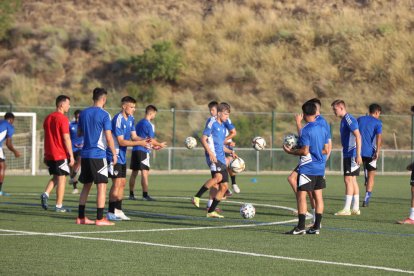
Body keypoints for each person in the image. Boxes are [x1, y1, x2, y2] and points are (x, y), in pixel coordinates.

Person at [283, 101, 329, 235]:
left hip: (308, 168)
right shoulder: (323, 128)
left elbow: (304, 151)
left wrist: (290, 152)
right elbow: (326, 149)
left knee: (301, 196)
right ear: (316, 112)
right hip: (320, 167)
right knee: (318, 197)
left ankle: (300, 227)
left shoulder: (306, 130)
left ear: (303, 114)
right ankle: (316, 227)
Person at [106, 96, 153, 221]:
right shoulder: (118, 119)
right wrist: (140, 143)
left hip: (122, 156)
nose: (133, 109)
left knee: (122, 183)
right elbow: (121, 142)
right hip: (113, 155)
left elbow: (134, 136)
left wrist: (146, 141)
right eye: (131, 107)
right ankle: (110, 212)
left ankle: (119, 210)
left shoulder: (131, 118)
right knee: (116, 184)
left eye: (134, 107)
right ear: (123, 106)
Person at [76, 87, 117, 226]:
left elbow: (79, 133)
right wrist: (114, 153)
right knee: (102, 186)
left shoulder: (83, 113)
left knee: (86, 186)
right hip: (98, 155)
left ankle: (81, 217)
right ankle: (100, 219)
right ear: (104, 99)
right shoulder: (105, 114)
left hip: (85, 154)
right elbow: (108, 136)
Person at [192, 102, 238, 218]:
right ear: (219, 113)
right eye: (226, 115)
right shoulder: (212, 122)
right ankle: (196, 196)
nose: (227, 117)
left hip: (221, 158)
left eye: (228, 115)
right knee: (217, 178)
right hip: (213, 157)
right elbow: (203, 139)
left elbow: (221, 146)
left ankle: (211, 211)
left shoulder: (223, 127)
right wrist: (210, 153)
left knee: (224, 187)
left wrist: (231, 152)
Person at [40, 95, 75, 212]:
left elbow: (47, 137)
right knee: (62, 178)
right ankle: (59, 206)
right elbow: (66, 138)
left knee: (56, 176)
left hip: (50, 153)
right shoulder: (63, 119)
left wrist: (46, 154)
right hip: (59, 153)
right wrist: (71, 155)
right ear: (61, 105)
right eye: (68, 103)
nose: (69, 106)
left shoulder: (48, 118)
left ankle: (45, 193)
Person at [128, 105, 167, 201]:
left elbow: (142, 139)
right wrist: (159, 144)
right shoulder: (148, 124)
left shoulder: (138, 123)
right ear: (151, 113)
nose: (154, 116)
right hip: (143, 151)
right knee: (145, 173)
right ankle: (145, 195)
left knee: (134, 173)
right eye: (154, 114)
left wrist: (154, 147)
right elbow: (150, 139)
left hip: (135, 150)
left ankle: (131, 194)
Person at [331, 99, 362, 216]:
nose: (334, 111)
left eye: (335, 109)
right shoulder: (344, 120)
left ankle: (347, 209)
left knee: (348, 180)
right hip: (350, 153)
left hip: (351, 154)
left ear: (341, 108)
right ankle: (355, 208)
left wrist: (358, 155)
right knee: (352, 180)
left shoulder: (349, 119)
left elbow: (358, 136)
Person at [357, 104, 382, 207]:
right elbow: (379, 138)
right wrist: (378, 151)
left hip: (358, 151)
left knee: (352, 177)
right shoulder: (378, 122)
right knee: (371, 174)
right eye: (379, 114)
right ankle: (367, 198)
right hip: (370, 152)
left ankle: (353, 199)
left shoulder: (359, 119)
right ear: (377, 112)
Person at [0, 112, 21, 196]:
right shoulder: (9, 126)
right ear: (11, 120)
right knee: (2, 166)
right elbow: (8, 144)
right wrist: (15, 151)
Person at [69, 109, 83, 194]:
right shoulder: (70, 125)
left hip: (81, 149)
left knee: (79, 160)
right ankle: (75, 187)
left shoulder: (85, 126)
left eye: (79, 117)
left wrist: (83, 144)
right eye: (76, 117)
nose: (78, 119)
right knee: (72, 167)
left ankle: (73, 176)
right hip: (71, 149)